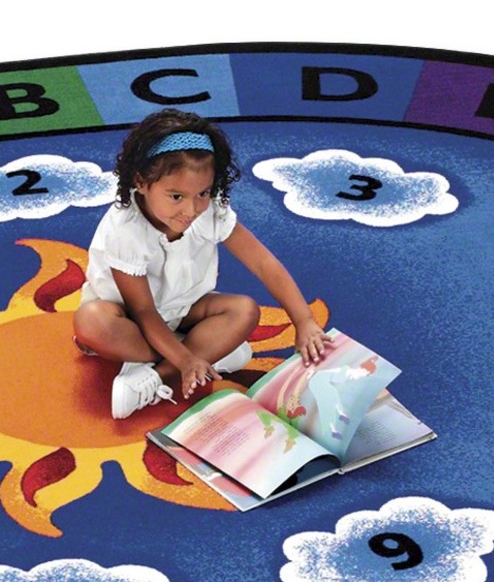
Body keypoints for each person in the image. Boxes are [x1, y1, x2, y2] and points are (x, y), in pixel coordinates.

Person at [75, 109, 330, 418]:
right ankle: (203, 352)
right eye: (176, 196)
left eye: (203, 193)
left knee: (245, 310)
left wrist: (304, 321)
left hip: (184, 311)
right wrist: (186, 360)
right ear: (141, 182)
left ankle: (157, 376)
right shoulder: (125, 228)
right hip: (131, 318)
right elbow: (143, 311)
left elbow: (263, 263)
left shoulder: (211, 211)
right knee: (92, 322)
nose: (191, 209)